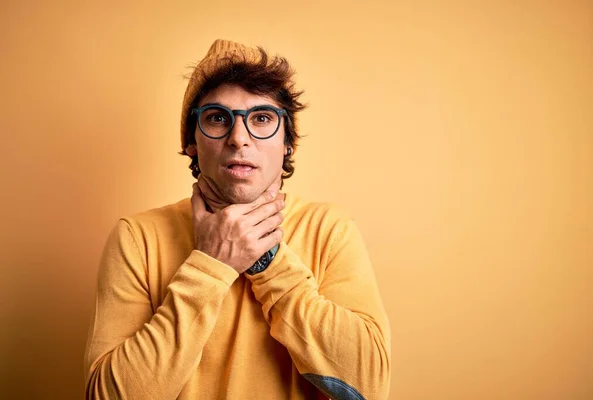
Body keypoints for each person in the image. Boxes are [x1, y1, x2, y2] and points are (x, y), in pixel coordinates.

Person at [84, 39, 391, 400]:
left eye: (262, 118)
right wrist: (211, 264)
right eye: (217, 118)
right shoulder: (138, 237)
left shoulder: (330, 230)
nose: (239, 138)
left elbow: (368, 389)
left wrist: (267, 258)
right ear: (192, 143)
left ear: (288, 142)